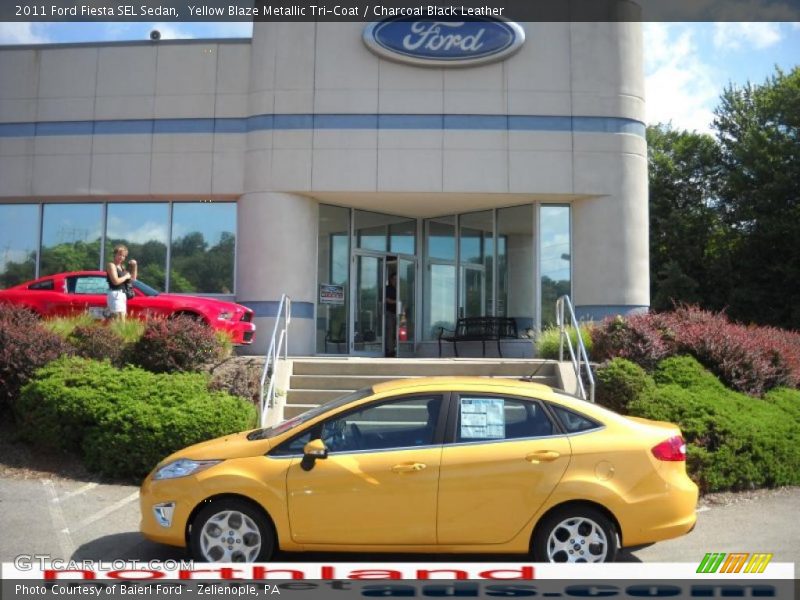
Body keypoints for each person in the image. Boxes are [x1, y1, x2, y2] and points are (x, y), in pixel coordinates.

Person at [106, 244, 137, 321]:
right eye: (119, 255)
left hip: (122, 294)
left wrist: (134, 266)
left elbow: (133, 278)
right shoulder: (111, 265)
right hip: (115, 294)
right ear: (115, 254)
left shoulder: (122, 267)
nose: (121, 257)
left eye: (123, 256)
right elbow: (115, 281)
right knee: (117, 320)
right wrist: (126, 277)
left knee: (122, 320)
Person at [385, 272, 397, 357]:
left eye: (396, 279)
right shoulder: (388, 289)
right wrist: (396, 302)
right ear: (391, 279)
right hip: (389, 312)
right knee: (390, 331)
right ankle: (389, 350)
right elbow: (386, 299)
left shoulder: (397, 288)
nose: (395, 281)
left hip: (397, 313)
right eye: (394, 279)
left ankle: (394, 349)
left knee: (395, 333)